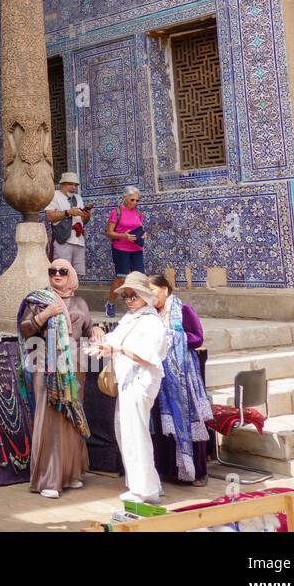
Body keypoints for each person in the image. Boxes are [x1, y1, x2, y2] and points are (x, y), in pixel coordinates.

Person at [17, 260, 103, 498]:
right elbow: (25, 330)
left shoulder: (80, 303)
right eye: (52, 271)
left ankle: (71, 473)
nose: (57, 274)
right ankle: (49, 479)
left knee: (71, 417)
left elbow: (87, 329)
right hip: (46, 365)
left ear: (71, 276)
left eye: (62, 271)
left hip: (74, 366)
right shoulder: (38, 300)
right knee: (50, 417)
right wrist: (45, 314)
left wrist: (96, 329)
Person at [85, 272, 170, 504]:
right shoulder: (132, 318)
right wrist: (103, 347)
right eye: (127, 296)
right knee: (127, 431)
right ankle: (146, 484)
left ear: (145, 296)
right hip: (128, 382)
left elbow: (146, 356)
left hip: (141, 382)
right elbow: (115, 339)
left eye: (134, 296)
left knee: (135, 433)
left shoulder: (151, 322)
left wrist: (118, 350)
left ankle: (144, 490)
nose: (130, 300)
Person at [148, 273, 212, 487]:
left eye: (153, 291)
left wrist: (173, 337)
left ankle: (198, 471)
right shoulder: (149, 315)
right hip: (162, 376)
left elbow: (198, 337)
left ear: (165, 289)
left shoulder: (183, 310)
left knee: (188, 418)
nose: (150, 296)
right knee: (165, 422)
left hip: (184, 376)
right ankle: (171, 471)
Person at [45, 171, 91, 278]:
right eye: (71, 184)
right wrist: (68, 212)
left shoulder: (78, 198)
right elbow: (49, 216)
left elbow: (83, 221)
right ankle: (60, 295)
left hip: (79, 240)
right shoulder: (54, 195)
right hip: (63, 240)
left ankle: (70, 294)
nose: (74, 187)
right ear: (63, 184)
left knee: (75, 275)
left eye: (76, 185)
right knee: (61, 272)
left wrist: (87, 216)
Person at [105, 185, 147, 294]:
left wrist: (144, 234)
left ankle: (136, 306)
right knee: (121, 279)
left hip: (136, 249)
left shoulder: (138, 213)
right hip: (121, 250)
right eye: (132, 199)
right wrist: (124, 236)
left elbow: (140, 228)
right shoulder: (116, 212)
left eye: (137, 200)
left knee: (139, 279)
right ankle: (110, 303)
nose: (135, 202)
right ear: (125, 197)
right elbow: (109, 233)